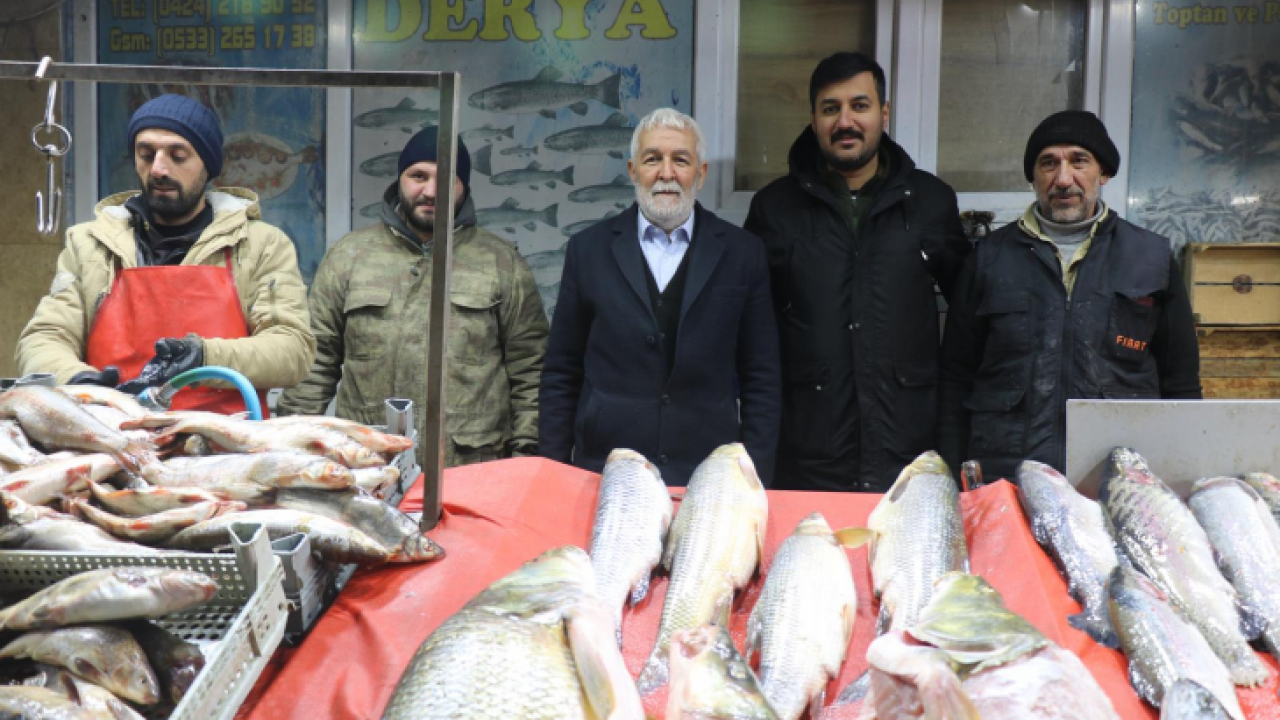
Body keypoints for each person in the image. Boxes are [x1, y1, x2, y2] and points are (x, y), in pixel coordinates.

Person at [744, 52, 970, 492]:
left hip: (909, 455)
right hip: (808, 453)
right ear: (813, 119)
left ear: (883, 114)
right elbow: (752, 334)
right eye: (831, 108)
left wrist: (953, 440)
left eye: (859, 106)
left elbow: (967, 326)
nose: (845, 121)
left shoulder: (929, 201)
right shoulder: (774, 208)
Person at [937, 110, 1201, 480]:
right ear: (1033, 177)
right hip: (1008, 477)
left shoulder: (1151, 257)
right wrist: (952, 475)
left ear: (1104, 172)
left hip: (1118, 478)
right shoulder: (987, 259)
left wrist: (1183, 473)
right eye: (1049, 164)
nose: (1063, 179)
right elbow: (956, 379)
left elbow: (1181, 384)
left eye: (1079, 161)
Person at [16, 94, 314, 413]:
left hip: (224, 447)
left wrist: (204, 357)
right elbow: (43, 338)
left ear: (208, 165)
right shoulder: (90, 244)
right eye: (146, 154)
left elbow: (292, 349)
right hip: (112, 438)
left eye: (178, 156)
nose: (158, 169)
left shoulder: (260, 245)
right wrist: (78, 382)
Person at [278, 127, 548, 468]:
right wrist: (291, 453)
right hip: (368, 464)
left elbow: (532, 373)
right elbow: (313, 364)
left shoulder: (501, 262)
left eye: (446, 178)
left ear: (464, 186)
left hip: (472, 468)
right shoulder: (350, 256)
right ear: (400, 180)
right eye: (418, 176)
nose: (431, 191)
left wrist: (524, 460)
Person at [540, 108, 780, 487]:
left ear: (700, 174)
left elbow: (761, 377)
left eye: (680, 160)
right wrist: (553, 473)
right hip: (604, 476)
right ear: (634, 171)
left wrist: (755, 481)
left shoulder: (743, 254)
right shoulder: (588, 251)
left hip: (708, 481)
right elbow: (561, 372)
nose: (666, 173)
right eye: (653, 159)